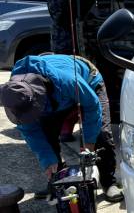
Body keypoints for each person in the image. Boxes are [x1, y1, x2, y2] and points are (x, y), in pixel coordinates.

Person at [0, 54, 124, 203]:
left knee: (101, 134)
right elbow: (30, 131)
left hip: (89, 82)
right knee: (47, 138)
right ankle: (58, 181)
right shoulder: (16, 97)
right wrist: (48, 159)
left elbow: (92, 106)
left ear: (38, 96)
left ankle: (108, 182)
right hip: (55, 100)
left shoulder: (67, 81)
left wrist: (90, 141)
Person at [47, 0, 80, 142]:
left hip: (78, 43)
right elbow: (59, 15)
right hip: (65, 45)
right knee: (67, 86)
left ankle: (70, 125)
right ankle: (64, 129)